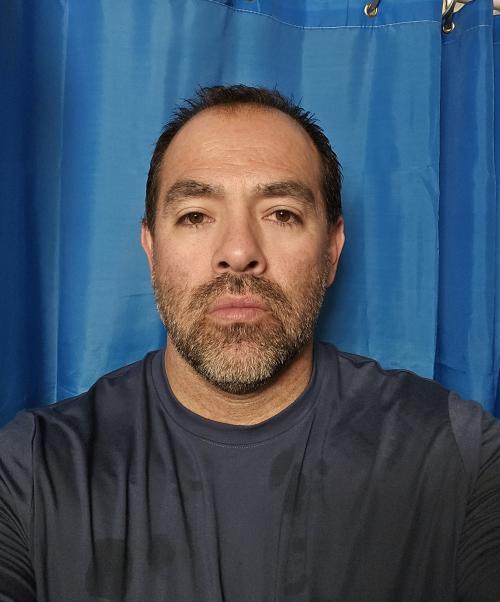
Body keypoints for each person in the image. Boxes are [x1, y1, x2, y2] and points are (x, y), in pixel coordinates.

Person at [0, 84, 499, 602]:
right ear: (151, 248)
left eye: (281, 213)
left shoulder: (456, 456)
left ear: (332, 250)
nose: (238, 252)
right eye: (196, 215)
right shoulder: (32, 471)